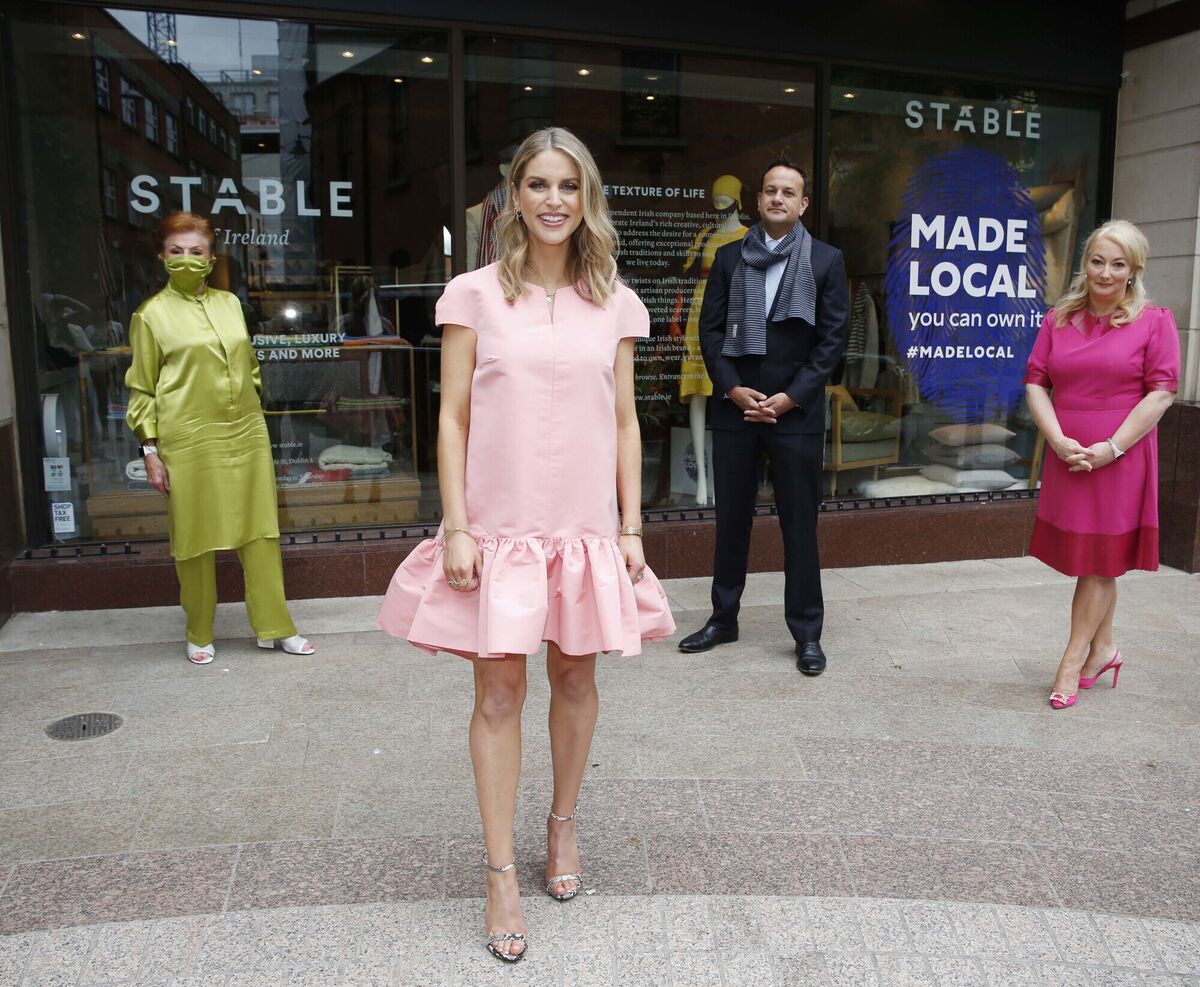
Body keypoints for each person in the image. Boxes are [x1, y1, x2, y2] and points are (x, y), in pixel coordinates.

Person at [376, 127, 675, 963]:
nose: (553, 200)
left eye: (568, 186)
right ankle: (501, 870)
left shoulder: (615, 297)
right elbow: (453, 415)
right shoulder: (471, 294)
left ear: (588, 200)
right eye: (537, 184)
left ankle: (563, 827)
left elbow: (623, 420)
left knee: (575, 677)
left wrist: (630, 525)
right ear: (511, 195)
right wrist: (458, 521)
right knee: (499, 694)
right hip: (497, 527)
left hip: (582, 525)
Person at [678, 158, 848, 675]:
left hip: (795, 413)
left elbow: (832, 341)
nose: (777, 198)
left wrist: (792, 397)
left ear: (803, 204)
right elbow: (709, 332)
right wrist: (731, 389)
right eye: (770, 190)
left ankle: (807, 633)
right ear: (759, 200)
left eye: (788, 192)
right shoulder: (730, 258)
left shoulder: (826, 260)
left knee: (800, 524)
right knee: (732, 519)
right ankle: (723, 618)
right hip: (739, 409)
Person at [126, 212, 314, 665]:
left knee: (261, 532)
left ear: (211, 259)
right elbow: (140, 388)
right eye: (177, 251)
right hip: (186, 438)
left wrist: (250, 399)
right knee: (193, 538)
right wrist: (150, 449)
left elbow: (248, 363)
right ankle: (199, 630)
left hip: (244, 432)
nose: (187, 259)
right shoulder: (150, 315)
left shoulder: (230, 304)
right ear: (162, 256)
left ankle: (274, 626)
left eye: (197, 251)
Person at [1024, 219, 1179, 709]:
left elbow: (1161, 394)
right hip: (1068, 454)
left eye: (1118, 264)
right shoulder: (1059, 318)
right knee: (1097, 561)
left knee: (1097, 564)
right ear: (1084, 263)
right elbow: (1035, 382)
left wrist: (1112, 448)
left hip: (1121, 457)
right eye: (1097, 261)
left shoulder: (1155, 320)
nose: (1106, 273)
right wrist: (1056, 439)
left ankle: (1072, 660)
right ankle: (1106, 650)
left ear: (1133, 271)